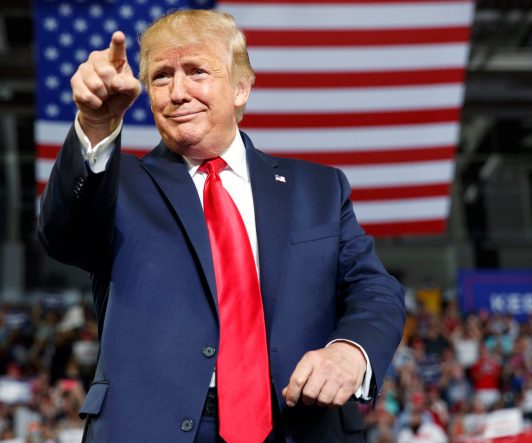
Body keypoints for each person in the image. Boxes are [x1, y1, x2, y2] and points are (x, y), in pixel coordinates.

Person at [38, 9, 404, 443]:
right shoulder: (115, 182)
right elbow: (64, 237)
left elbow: (375, 290)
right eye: (160, 77)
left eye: (196, 71)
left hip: (298, 424)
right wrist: (96, 124)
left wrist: (350, 352)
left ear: (241, 87)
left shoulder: (319, 188)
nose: (177, 92)